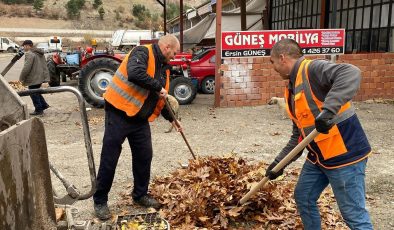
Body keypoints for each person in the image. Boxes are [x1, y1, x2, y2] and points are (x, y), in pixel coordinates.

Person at [266, 39, 372, 230]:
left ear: (282, 58)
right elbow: (298, 137)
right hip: (319, 158)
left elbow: (351, 72)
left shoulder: (312, 69)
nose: (273, 67)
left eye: (272, 62)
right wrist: (278, 164)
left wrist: (329, 110)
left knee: (353, 216)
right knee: (304, 197)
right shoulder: (291, 88)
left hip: (345, 156)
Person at [93, 34, 182, 220]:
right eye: (174, 52)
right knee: (110, 158)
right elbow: (135, 73)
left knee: (144, 156)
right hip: (118, 113)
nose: (175, 56)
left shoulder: (164, 69)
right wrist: (158, 87)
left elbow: (160, 97)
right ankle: (100, 201)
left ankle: (140, 195)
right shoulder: (142, 52)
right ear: (166, 47)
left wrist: (171, 118)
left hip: (139, 119)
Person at [19, 39, 50, 116]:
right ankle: (44, 105)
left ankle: (39, 110)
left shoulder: (29, 54)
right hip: (40, 76)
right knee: (36, 92)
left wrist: (21, 78)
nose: (24, 47)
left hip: (34, 77)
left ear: (29, 46)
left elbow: (26, 67)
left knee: (33, 92)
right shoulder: (38, 53)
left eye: (25, 46)